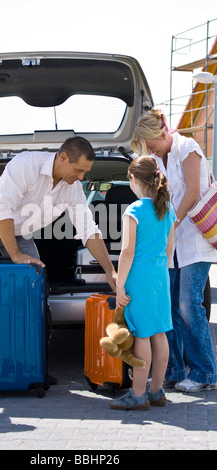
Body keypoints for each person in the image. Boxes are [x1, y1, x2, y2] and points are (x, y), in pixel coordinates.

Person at [131, 108, 217, 393]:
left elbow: (193, 190)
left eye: (151, 144)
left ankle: (205, 373)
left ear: (161, 132)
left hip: (195, 239)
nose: (150, 150)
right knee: (169, 308)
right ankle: (175, 371)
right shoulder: (157, 158)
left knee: (187, 304)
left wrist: (172, 223)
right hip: (174, 242)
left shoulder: (187, 148)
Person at [0, 136, 117, 291]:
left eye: (84, 172)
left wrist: (110, 270)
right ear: (63, 157)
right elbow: (2, 210)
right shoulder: (25, 165)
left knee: (34, 280)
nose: (81, 177)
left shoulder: (74, 189)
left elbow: (88, 230)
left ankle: (25, 315)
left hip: (19, 232)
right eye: (78, 170)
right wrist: (15, 254)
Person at [110, 156, 175, 411]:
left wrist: (120, 284)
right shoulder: (168, 210)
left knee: (142, 335)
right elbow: (170, 250)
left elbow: (127, 253)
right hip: (160, 277)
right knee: (159, 333)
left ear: (134, 179)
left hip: (139, 279)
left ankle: (137, 394)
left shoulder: (134, 210)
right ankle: (156, 391)